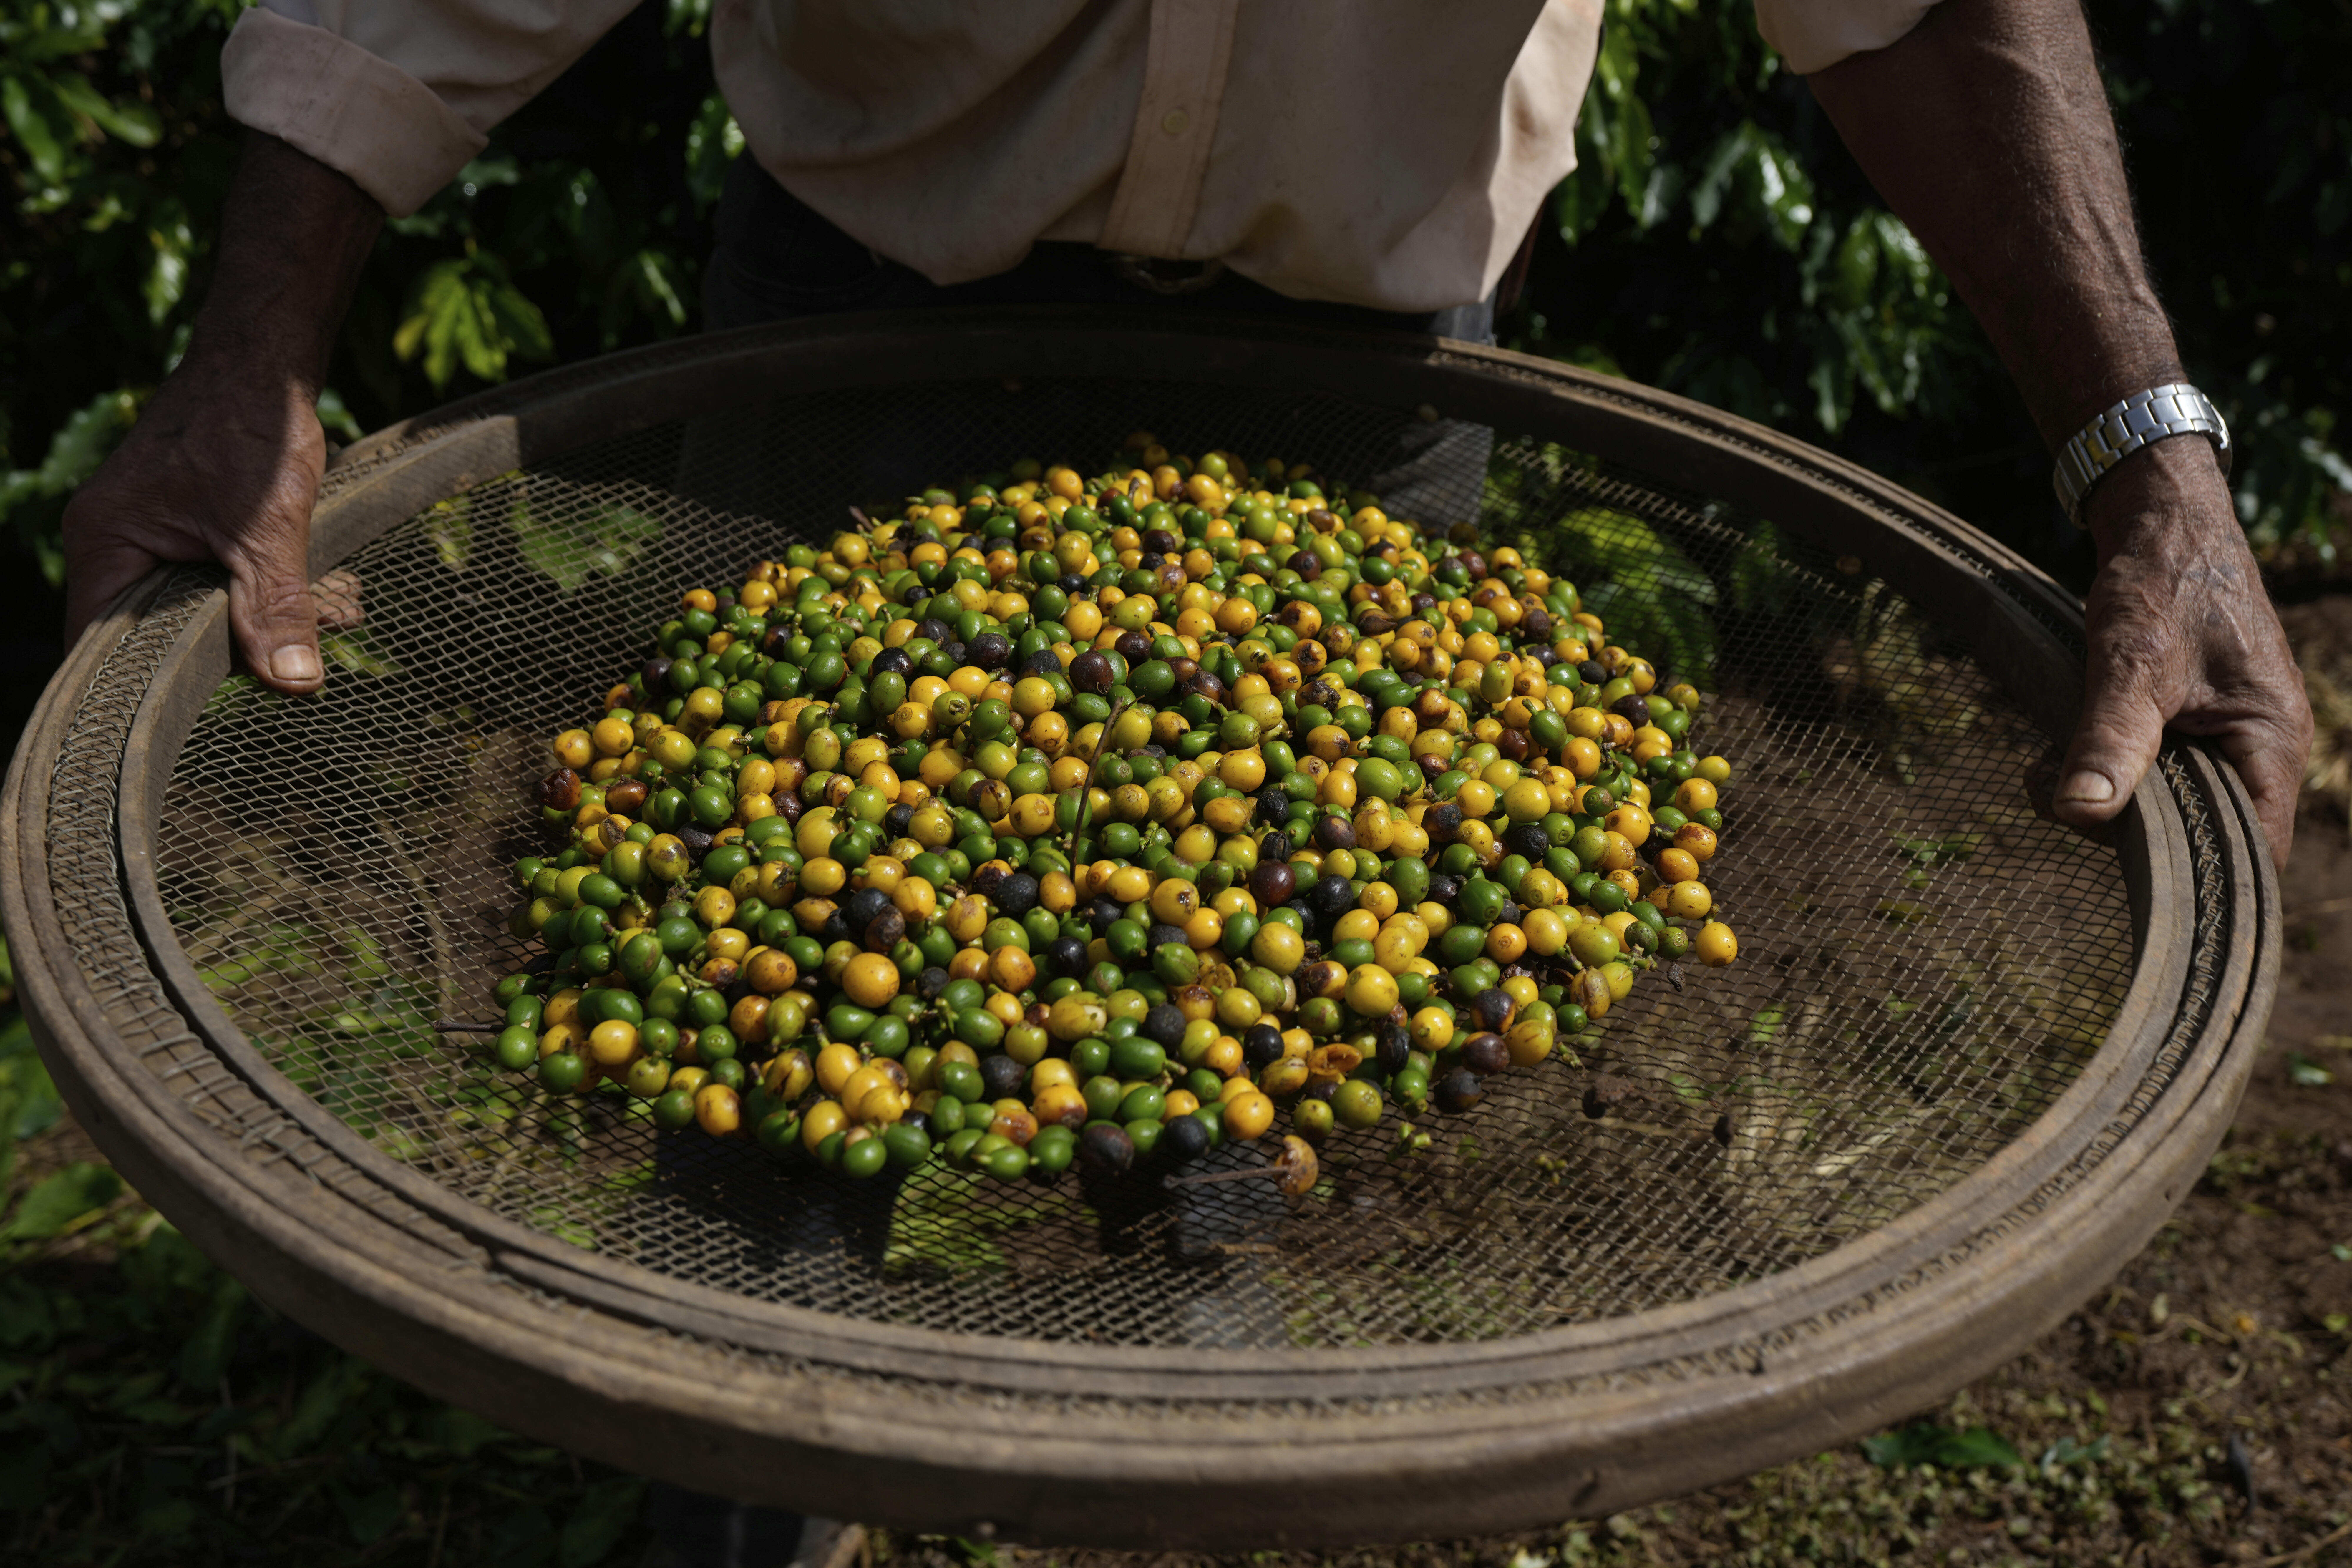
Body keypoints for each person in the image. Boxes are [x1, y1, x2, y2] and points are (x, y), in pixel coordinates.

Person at [55, 0, 2314, 1559]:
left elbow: (1915, 7)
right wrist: (254, 343)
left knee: (1273, 991)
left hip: (1367, 364)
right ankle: (755, 1476)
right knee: (798, 1025)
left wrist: (2147, 452)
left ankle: (1181, 1328)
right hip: (865, 306)